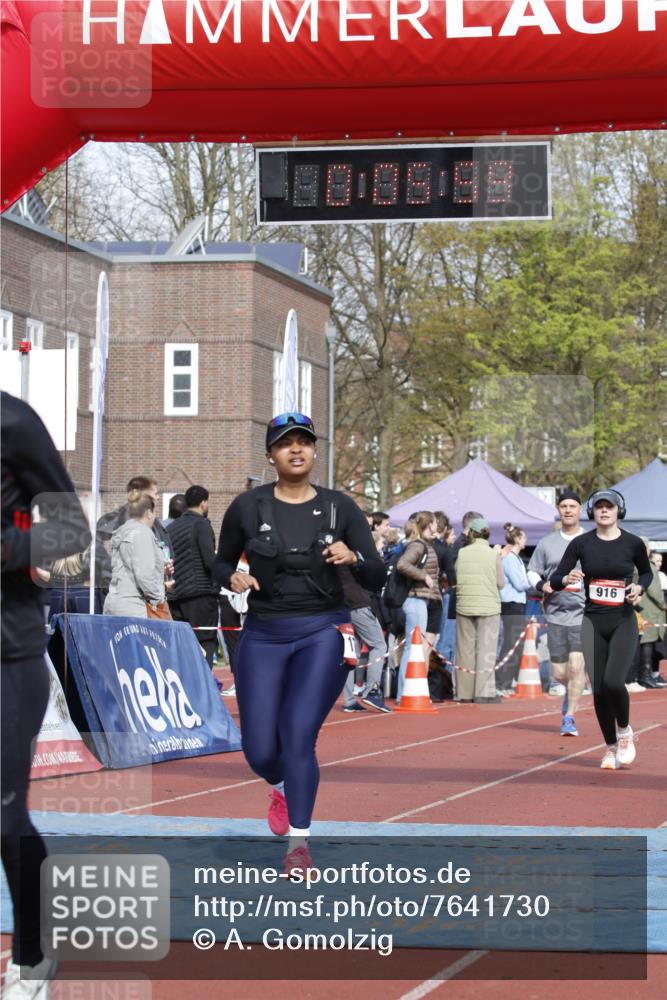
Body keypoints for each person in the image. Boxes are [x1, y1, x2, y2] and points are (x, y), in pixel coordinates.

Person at [213, 412, 384, 874]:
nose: (296, 449)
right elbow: (219, 561)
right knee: (259, 751)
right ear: (270, 455)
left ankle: (299, 844)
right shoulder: (248, 507)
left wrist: (354, 555)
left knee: (297, 738)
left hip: (322, 632)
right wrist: (232, 574)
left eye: (304, 442)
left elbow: (377, 572)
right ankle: (282, 787)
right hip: (264, 633)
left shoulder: (339, 508)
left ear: (313, 452)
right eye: (285, 443)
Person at [1, 391, 91, 998]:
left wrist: (8, 550)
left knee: (3, 814)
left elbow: (70, 533)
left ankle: (31, 955)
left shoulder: (11, 421)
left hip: (6, 653)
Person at [550, 488, 653, 770]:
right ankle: (609, 747)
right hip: (592, 622)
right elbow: (557, 577)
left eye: (609, 506)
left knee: (612, 682)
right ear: (592, 512)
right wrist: (566, 577)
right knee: (597, 692)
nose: (604, 510)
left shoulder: (632, 543)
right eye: (599, 507)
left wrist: (639, 587)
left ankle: (624, 732)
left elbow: (646, 572)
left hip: (622, 620)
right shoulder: (581, 544)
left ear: (619, 511)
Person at [528, 490, 588, 736]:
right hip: (555, 613)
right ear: (558, 509)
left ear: (580, 509)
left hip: (585, 613)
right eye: (564, 506)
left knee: (576, 667)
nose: (568, 510)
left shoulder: (592, 540)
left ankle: (570, 717)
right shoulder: (547, 543)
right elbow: (532, 571)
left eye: (572, 506)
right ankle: (572, 691)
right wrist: (542, 585)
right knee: (560, 672)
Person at [455, 517, 506, 703]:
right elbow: (501, 583)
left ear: (472, 533)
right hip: (489, 607)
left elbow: (456, 576)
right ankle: (483, 693)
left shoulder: (462, 553)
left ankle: (464, 693)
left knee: (465, 651)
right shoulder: (493, 554)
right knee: (486, 649)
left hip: (464, 605)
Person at [168, 485, 219, 668]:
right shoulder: (201, 524)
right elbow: (209, 560)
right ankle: (204, 688)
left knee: (183, 646)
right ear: (203, 503)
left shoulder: (172, 527)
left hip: (176, 595)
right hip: (201, 594)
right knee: (206, 641)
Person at [395, 512, 442, 704]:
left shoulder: (426, 545)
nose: (438, 527)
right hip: (415, 601)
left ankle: (408, 692)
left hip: (421, 601)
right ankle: (404, 693)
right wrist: (423, 575)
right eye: (435, 523)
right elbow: (402, 564)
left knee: (415, 648)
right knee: (412, 648)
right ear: (429, 524)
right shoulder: (417, 545)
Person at [103, 493, 166, 618]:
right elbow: (144, 575)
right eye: (154, 513)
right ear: (148, 512)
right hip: (134, 606)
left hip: (115, 602)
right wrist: (159, 597)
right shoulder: (142, 533)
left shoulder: (124, 530)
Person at [340, 567, 391, 713]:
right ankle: (372, 691)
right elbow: (373, 575)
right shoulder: (351, 555)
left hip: (342, 606)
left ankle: (349, 701)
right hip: (357, 604)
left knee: (351, 654)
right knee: (379, 645)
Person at [496, 524, 531, 695]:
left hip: (517, 603)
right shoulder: (509, 559)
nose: (526, 540)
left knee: (515, 643)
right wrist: (532, 583)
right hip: (511, 603)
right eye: (523, 537)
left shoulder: (515, 558)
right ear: (517, 539)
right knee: (511, 643)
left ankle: (507, 679)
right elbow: (519, 583)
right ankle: (502, 681)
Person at [637, 538, 666, 688]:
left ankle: (642, 675)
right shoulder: (648, 566)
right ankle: (645, 676)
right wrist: (664, 605)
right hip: (649, 610)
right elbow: (655, 591)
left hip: (638, 608)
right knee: (647, 643)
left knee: (641, 643)